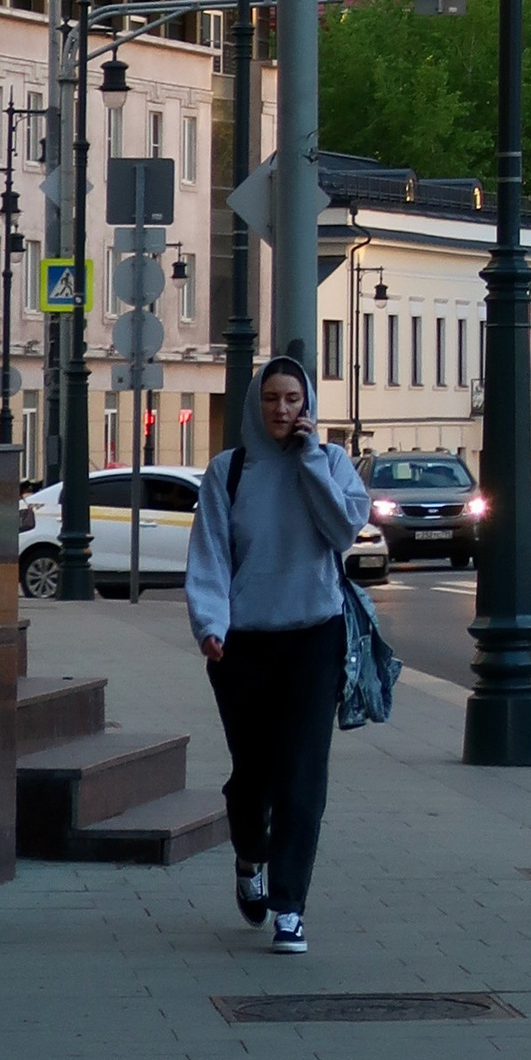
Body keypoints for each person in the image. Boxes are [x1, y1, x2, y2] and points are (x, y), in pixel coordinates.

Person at [186, 359, 370, 954]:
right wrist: (210, 624)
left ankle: (289, 907)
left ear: (307, 403)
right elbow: (210, 553)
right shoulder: (228, 472)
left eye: (293, 399)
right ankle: (249, 856)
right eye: (271, 399)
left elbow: (342, 531)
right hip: (243, 643)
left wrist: (312, 459)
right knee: (253, 777)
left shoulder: (333, 464)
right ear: (255, 404)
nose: (282, 410)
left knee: (302, 776)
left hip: (316, 636)